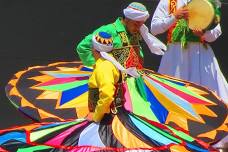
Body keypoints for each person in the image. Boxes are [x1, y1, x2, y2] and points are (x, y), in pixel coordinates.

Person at [1, 2, 227, 151]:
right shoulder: (110, 32)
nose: (141, 27)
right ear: (128, 20)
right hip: (115, 88)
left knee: (148, 122)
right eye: (137, 23)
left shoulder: (139, 30)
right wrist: (101, 66)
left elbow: (148, 40)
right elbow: (84, 47)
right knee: (114, 129)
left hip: (137, 83)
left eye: (141, 24)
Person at [151, 0, 228, 103]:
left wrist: (203, 33)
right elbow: (154, 29)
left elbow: (216, 33)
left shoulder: (207, 2)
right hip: (175, 58)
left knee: (210, 96)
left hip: (200, 56)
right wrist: (174, 16)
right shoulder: (168, 2)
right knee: (171, 97)